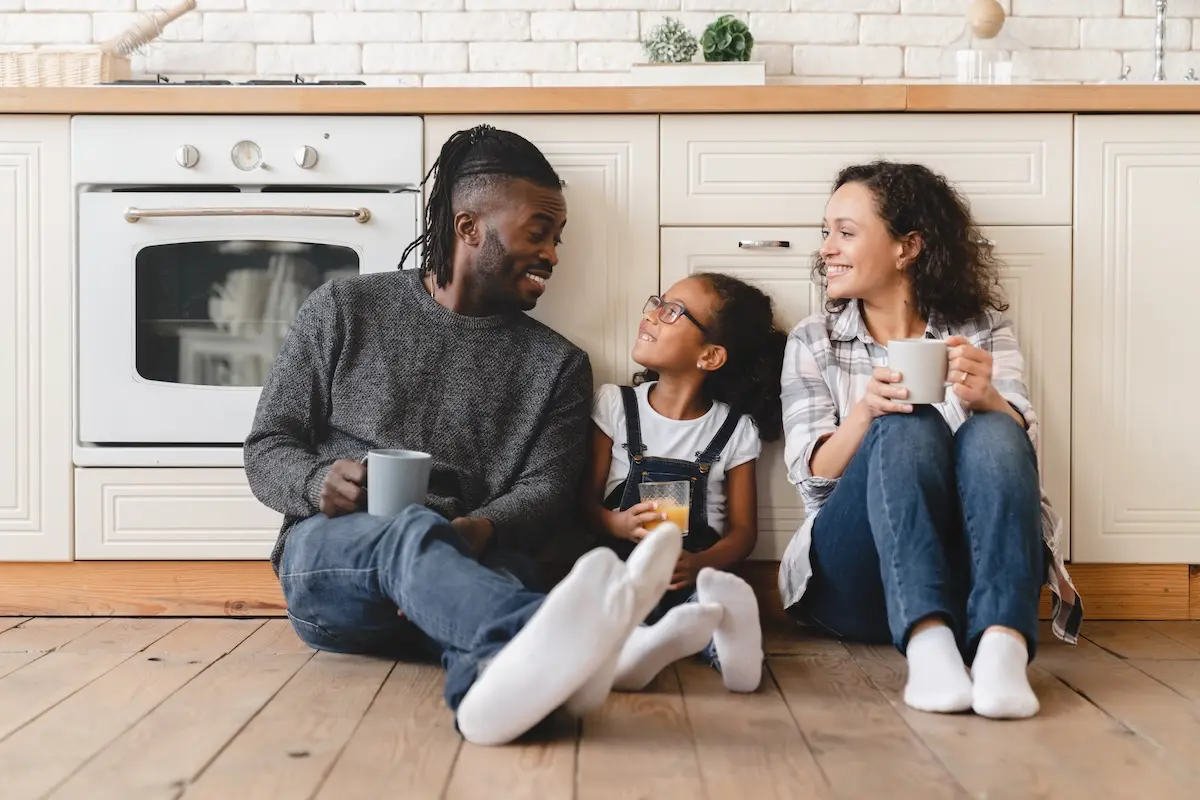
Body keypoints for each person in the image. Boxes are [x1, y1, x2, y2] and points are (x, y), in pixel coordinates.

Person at [243, 123, 682, 746]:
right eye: (538, 232)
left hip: (467, 573)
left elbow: (548, 490)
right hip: (336, 560)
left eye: (557, 238)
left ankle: (490, 690)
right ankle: (612, 646)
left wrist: (477, 530)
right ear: (469, 226)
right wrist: (318, 483)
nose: (553, 255)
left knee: (488, 582)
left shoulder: (557, 365)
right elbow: (268, 445)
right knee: (411, 535)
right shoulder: (344, 309)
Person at [777, 161, 1084, 720]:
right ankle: (927, 644)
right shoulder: (813, 338)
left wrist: (988, 397)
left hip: (969, 581)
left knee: (998, 425)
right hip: (855, 581)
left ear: (908, 247)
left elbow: (1018, 461)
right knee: (905, 422)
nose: (826, 249)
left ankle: (1003, 646)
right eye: (826, 231)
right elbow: (812, 479)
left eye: (846, 232)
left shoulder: (980, 327)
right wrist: (866, 412)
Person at [578, 273, 787, 697]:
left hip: (688, 572)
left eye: (672, 311)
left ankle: (729, 651)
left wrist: (700, 563)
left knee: (706, 604)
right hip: (623, 567)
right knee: (601, 602)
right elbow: (582, 501)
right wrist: (615, 524)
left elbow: (743, 533)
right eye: (658, 302)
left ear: (710, 356)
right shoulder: (616, 405)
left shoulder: (734, 429)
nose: (653, 314)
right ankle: (646, 642)